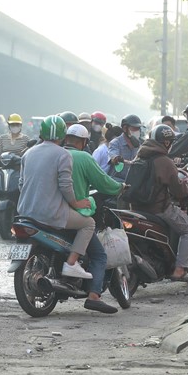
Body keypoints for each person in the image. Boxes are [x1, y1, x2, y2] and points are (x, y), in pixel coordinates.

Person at [18, 116, 116, 313]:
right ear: (62, 135)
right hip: (51, 214)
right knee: (88, 223)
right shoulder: (63, 155)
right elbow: (65, 186)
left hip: (25, 212)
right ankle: (71, 263)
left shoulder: (28, 154)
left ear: (40, 133)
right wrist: (77, 203)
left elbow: (20, 184)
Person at [63, 124, 124, 312]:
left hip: (47, 212)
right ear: (83, 142)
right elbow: (103, 182)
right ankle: (94, 295)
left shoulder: (56, 154)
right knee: (99, 255)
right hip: (72, 213)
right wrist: (120, 187)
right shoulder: (83, 157)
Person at [132, 125, 188, 281]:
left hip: (136, 208)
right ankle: (180, 270)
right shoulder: (164, 161)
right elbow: (179, 191)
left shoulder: (140, 156)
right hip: (159, 208)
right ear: (167, 143)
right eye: (170, 142)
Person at [0, 114, 31, 230]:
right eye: (13, 125)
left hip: (18, 170)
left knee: (23, 191)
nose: (15, 127)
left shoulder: (25, 139)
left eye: (17, 125)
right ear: (9, 126)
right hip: (3, 170)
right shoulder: (3, 138)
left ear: (20, 126)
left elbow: (28, 155)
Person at [107, 114, 143, 180]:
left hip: (133, 181)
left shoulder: (140, 144)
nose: (137, 131)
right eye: (134, 128)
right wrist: (117, 159)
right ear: (125, 128)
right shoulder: (115, 143)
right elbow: (113, 157)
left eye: (138, 129)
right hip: (118, 181)